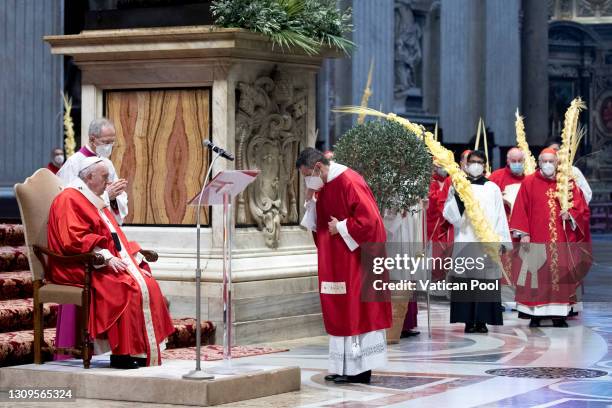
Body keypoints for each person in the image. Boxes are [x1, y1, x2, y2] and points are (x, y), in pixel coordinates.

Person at [48, 157, 174, 368]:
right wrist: (106, 258)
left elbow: (114, 236)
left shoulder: (94, 198)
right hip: (76, 264)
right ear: (89, 177)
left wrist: (131, 255)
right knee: (125, 286)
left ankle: (140, 351)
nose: (108, 183)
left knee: (147, 282)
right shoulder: (69, 199)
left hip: (95, 260)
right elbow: (73, 238)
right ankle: (122, 353)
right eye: (105, 177)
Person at [297, 147, 391, 384]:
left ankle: (361, 370)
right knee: (339, 310)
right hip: (335, 260)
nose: (307, 180)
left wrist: (341, 227)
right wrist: (309, 200)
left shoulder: (349, 180)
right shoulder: (323, 186)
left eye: (307, 175)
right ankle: (344, 366)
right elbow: (317, 224)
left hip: (356, 260)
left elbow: (371, 221)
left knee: (356, 311)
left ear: (318, 167)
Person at [509, 148, 591, 328]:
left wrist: (570, 214)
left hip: (561, 239)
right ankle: (536, 314)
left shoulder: (567, 183)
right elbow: (520, 209)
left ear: (557, 163)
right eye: (544, 161)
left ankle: (559, 315)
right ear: (539, 163)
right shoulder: (529, 182)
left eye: (551, 161)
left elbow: (581, 208)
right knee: (536, 274)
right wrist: (524, 233)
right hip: (536, 236)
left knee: (560, 273)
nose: (547, 165)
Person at [443, 150, 512, 333]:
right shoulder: (458, 186)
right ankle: (468, 321)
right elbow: (449, 216)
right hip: (466, 239)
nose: (476, 165)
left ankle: (482, 321)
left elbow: (500, 216)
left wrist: (502, 241)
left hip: (487, 242)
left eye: (480, 162)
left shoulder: (492, 188)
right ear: (466, 164)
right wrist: (458, 199)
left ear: (485, 165)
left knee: (486, 281)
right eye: (472, 161)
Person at [57, 118, 128, 225]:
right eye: (105, 142)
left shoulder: (107, 162)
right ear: (92, 139)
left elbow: (115, 196)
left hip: (104, 222)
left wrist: (115, 195)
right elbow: (67, 200)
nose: (109, 147)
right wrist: (106, 196)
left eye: (112, 142)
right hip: (82, 224)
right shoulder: (74, 163)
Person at [545, 137, 592, 204]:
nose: (553, 153)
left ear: (562, 153)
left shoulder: (573, 171)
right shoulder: (543, 173)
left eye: (556, 150)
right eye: (550, 151)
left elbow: (587, 194)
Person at [489, 147, 526, 219]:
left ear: (524, 161)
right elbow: (486, 199)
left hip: (521, 220)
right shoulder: (496, 176)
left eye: (520, 161)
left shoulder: (528, 179)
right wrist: (499, 199)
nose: (517, 163)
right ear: (508, 161)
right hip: (501, 220)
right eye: (514, 161)